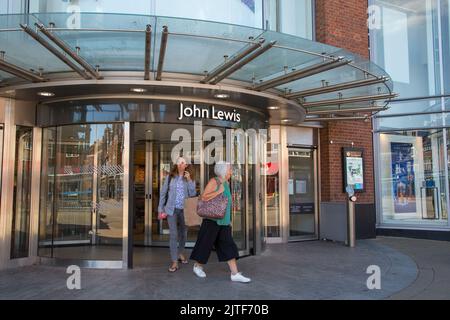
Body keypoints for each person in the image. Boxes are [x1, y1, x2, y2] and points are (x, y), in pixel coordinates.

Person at [190, 162, 251, 283]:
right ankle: (197, 266)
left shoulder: (227, 183)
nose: (231, 172)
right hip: (212, 221)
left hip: (223, 222)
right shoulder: (215, 181)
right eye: (229, 169)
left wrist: (229, 220)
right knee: (205, 245)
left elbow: (226, 204)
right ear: (223, 170)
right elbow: (203, 197)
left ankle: (235, 274)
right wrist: (218, 191)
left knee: (228, 246)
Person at [158, 157, 197, 272]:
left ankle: (180, 253)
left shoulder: (190, 178)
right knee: (174, 235)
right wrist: (161, 209)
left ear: (186, 165)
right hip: (171, 210)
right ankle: (174, 261)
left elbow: (193, 193)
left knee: (183, 234)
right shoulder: (170, 177)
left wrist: (189, 180)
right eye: (179, 162)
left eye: (183, 163)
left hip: (184, 210)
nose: (181, 165)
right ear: (176, 164)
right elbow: (163, 193)